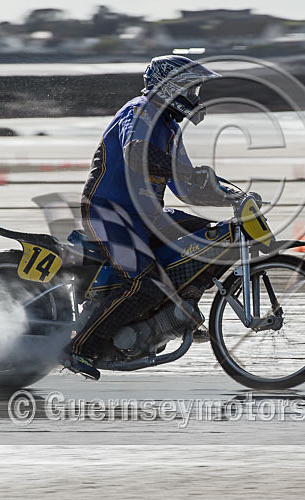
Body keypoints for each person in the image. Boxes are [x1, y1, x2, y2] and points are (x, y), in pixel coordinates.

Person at [61, 55, 240, 379]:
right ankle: (80, 349)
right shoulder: (141, 110)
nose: (195, 97)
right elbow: (135, 152)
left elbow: (185, 187)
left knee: (209, 235)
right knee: (144, 284)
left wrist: (228, 197)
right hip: (108, 211)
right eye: (191, 88)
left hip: (146, 215)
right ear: (171, 88)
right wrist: (184, 171)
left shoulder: (170, 128)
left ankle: (176, 312)